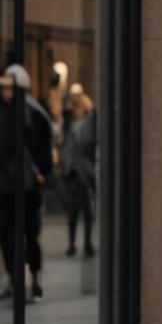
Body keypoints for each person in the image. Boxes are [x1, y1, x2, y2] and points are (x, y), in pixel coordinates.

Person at [0, 68, 52, 301]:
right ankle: (14, 276)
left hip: (27, 185)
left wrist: (42, 171)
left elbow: (43, 145)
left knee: (30, 233)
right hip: (6, 185)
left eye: (10, 88)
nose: (7, 93)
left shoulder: (32, 113)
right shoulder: (4, 112)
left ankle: (35, 276)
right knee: (7, 234)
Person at [60, 85, 97, 258]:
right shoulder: (70, 124)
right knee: (74, 212)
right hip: (74, 172)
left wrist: (91, 109)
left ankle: (87, 243)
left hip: (85, 172)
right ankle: (72, 243)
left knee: (87, 211)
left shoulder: (89, 123)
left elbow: (90, 138)